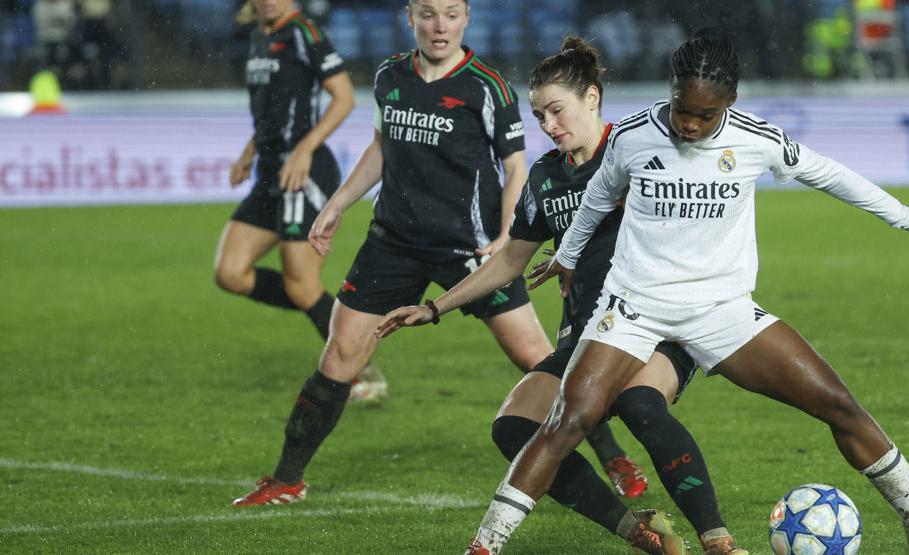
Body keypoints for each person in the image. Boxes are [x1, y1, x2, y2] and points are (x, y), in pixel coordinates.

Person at [446, 29, 909, 554]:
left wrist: (906, 216)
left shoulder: (754, 139)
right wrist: (567, 256)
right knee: (567, 420)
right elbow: (595, 201)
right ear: (671, 95)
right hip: (635, 307)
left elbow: (828, 173)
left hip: (722, 310)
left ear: (730, 101)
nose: (690, 124)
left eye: (705, 115)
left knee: (837, 403)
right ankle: (484, 544)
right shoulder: (636, 137)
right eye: (683, 110)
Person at [231, 0, 643, 508]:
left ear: (466, 18)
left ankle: (614, 458)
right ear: (411, 18)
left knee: (538, 359)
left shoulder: (486, 86)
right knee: (339, 355)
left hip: (469, 247)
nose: (440, 25)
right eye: (428, 14)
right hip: (392, 244)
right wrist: (338, 204)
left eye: (450, 13)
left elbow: (515, 168)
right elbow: (382, 147)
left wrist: (503, 234)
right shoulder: (389, 76)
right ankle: (287, 480)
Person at [376, 36, 746, 555]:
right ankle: (639, 532)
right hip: (585, 335)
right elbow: (509, 261)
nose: (548, 125)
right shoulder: (545, 177)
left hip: (654, 326)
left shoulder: (641, 152)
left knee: (640, 403)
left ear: (592, 98)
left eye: (557, 110)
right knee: (513, 427)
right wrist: (435, 306)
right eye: (539, 115)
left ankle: (719, 541)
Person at [214, 0, 367, 392]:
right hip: (269, 172)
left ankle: (357, 368)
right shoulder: (258, 36)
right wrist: (249, 152)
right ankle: (338, 321)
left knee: (302, 285)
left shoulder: (305, 33)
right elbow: (271, 110)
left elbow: (344, 97)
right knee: (230, 272)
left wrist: (304, 148)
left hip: (305, 172)